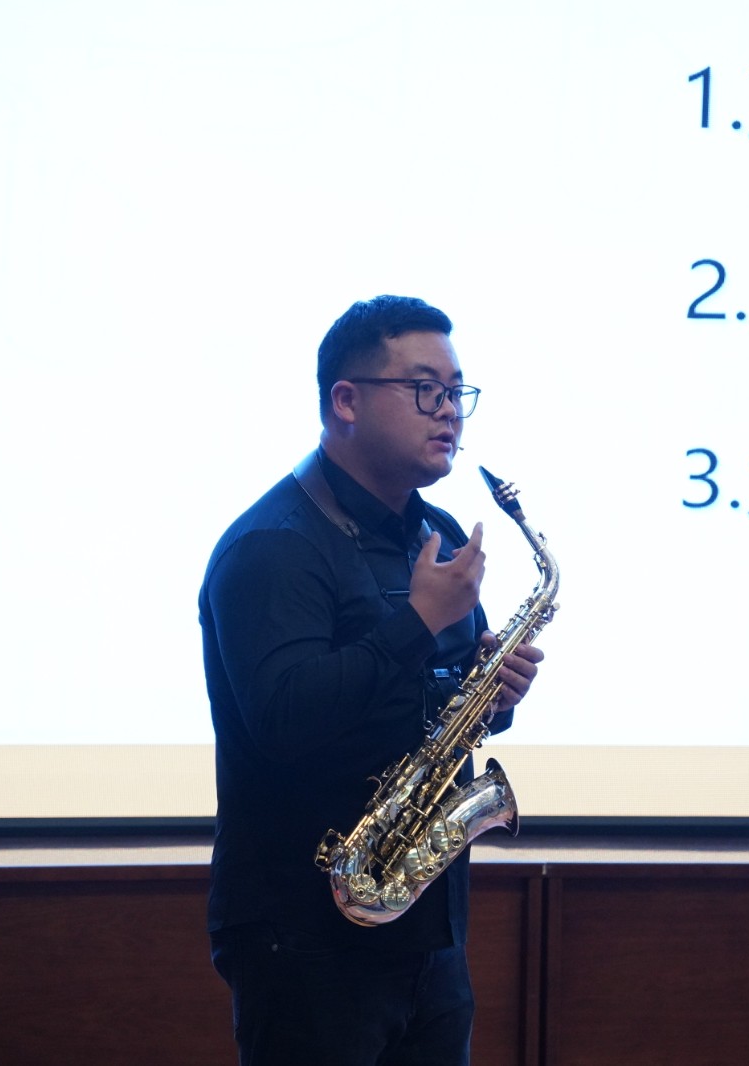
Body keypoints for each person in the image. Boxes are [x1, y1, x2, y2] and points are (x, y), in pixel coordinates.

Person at [197, 294, 546, 1065]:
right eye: (424, 389)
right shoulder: (272, 547)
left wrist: (493, 692)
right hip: (304, 936)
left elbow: (435, 705)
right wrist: (418, 621)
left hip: (426, 926)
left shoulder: (439, 534)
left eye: (456, 392)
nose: (449, 411)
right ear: (345, 401)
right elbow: (285, 720)